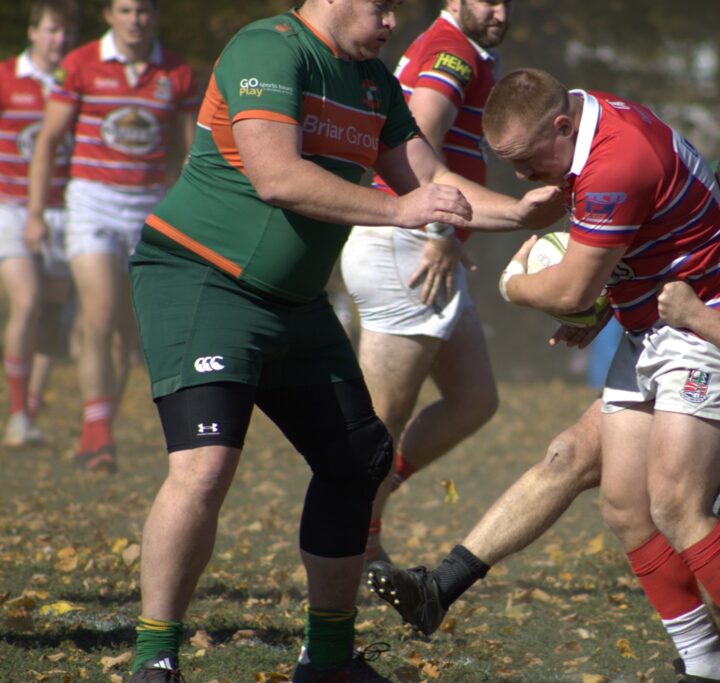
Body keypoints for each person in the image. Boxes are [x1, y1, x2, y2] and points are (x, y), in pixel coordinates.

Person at [123, 0, 561, 680]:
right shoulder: (270, 49)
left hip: (293, 301)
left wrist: (521, 211)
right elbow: (275, 176)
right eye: (381, 6)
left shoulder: (373, 80)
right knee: (206, 466)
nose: (392, 20)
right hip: (200, 279)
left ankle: (326, 659)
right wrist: (396, 209)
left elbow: (432, 180)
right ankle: (156, 658)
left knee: (360, 458)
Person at [367, 118, 720, 683]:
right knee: (576, 459)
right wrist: (605, 312)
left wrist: (690, 314)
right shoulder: (711, 215)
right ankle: (440, 587)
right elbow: (662, 267)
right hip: (699, 355)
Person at [340, 0, 510, 563]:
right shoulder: (453, 52)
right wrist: (441, 226)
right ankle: (349, 542)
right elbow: (421, 137)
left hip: (429, 250)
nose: (501, 11)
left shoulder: (464, 51)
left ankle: (368, 506)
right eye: (487, 0)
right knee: (380, 420)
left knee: (474, 399)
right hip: (411, 247)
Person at [26, 0, 198, 473]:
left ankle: (98, 428)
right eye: (125, 10)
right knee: (98, 314)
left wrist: (185, 214)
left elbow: (188, 154)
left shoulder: (177, 73)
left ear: (155, 16)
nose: (135, 19)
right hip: (91, 202)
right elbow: (48, 140)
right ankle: (97, 433)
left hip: (146, 207)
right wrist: (37, 212)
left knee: (125, 333)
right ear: (108, 15)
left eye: (143, 11)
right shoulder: (80, 64)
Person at [0, 0, 78, 447]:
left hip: (65, 210)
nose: (59, 40)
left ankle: (29, 408)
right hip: (12, 206)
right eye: (51, 30)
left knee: (53, 314)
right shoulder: (8, 78)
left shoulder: (77, 80)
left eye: (66, 33)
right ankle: (15, 412)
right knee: (27, 302)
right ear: (32, 31)